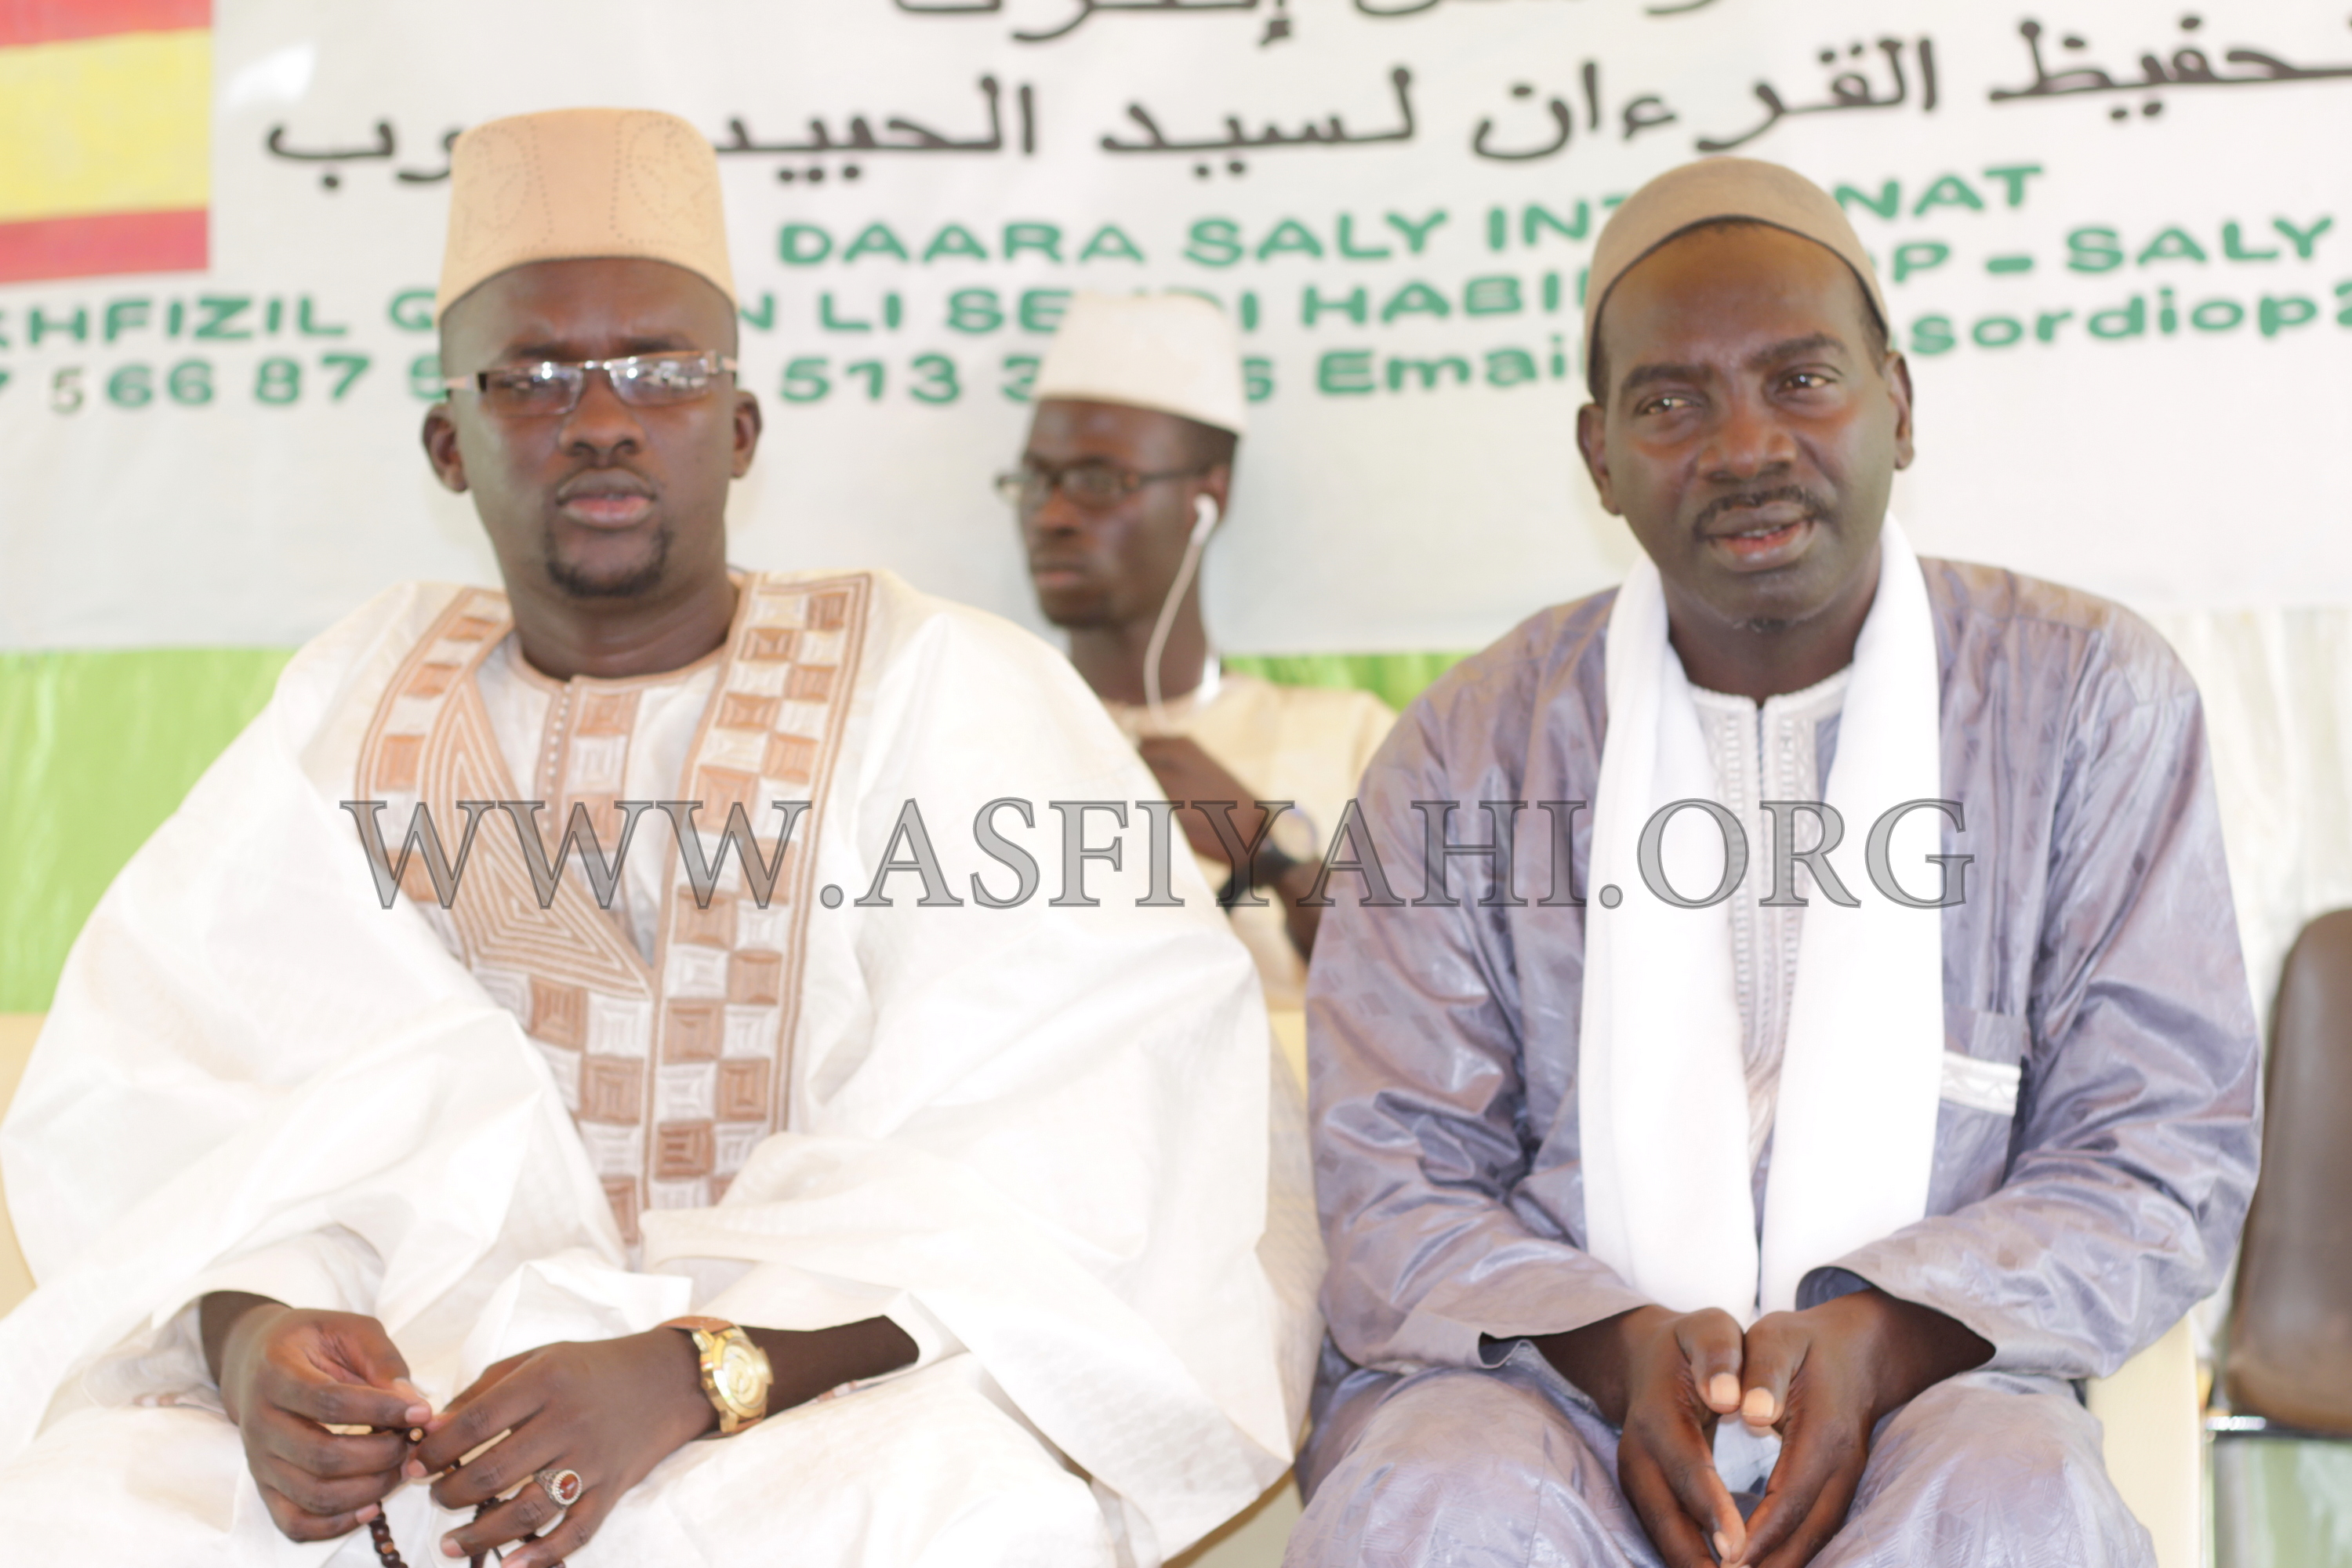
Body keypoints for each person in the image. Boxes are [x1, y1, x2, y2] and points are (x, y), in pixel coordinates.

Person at [0, 108, 1317, 1568]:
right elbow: (181, 1097)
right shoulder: (353, 707)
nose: (605, 418)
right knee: (80, 1509)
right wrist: (258, 1349)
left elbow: (1088, 1144)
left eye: (664, 371)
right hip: (429, 1394)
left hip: (821, 1408)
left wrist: (692, 1374)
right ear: (450, 442)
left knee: (967, 1516)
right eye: (538, 377)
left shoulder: (939, 683)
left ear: (739, 429)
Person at [1287, 157, 2260, 1568]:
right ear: (1599, 454)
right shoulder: (1468, 747)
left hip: (1943, 1384)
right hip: (1542, 1392)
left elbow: (2161, 1143)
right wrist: (1612, 1350)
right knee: (1433, 1500)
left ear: (1900, 405)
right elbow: (1390, 1170)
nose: (1745, 446)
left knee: (2007, 1505)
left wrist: (1883, 1334)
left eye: (1801, 380)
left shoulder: (2088, 700)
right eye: (1672, 402)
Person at [1011, 292, 1395, 1018]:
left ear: (1208, 497)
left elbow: (1426, 1003)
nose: (1053, 516)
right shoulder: (978, 731)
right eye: (1037, 481)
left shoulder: (1354, 739)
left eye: (1099, 482)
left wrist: (1267, 852)